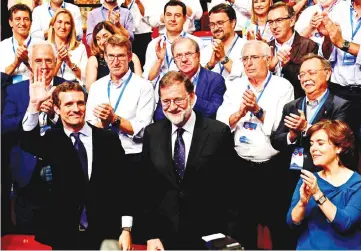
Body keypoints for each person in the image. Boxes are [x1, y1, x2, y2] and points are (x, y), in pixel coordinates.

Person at [20, 80, 133, 250]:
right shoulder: (51, 140)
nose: (75, 109)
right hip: (64, 235)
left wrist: (126, 229)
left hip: (104, 233)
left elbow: (124, 185)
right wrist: (34, 104)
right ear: (57, 109)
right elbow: (27, 141)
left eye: (80, 103)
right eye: (69, 104)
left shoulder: (108, 140)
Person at [139, 71, 236, 250]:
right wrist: (151, 234)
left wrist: (228, 237)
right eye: (166, 101)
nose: (172, 106)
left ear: (192, 97)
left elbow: (231, 188)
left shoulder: (218, 133)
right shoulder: (152, 133)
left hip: (210, 235)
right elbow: (147, 189)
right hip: (165, 237)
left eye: (178, 99)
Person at [216, 40, 294, 250]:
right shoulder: (235, 86)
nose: (248, 63)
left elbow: (281, 129)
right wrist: (240, 113)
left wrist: (257, 111)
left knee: (277, 224)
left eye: (254, 58)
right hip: (240, 166)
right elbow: (221, 123)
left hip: (271, 168)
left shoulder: (282, 87)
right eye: (245, 59)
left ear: (268, 59)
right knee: (241, 226)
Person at [2, 41, 67, 234]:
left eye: (49, 60)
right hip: (26, 170)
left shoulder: (66, 88)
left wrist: (55, 117)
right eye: (38, 60)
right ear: (30, 62)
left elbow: (77, 127)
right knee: (27, 233)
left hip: (60, 169)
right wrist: (32, 109)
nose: (44, 65)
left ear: (56, 62)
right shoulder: (16, 90)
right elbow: (4, 126)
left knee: (60, 231)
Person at [85, 34, 154, 185]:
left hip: (132, 156)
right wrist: (103, 124)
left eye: (121, 56)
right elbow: (88, 127)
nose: (115, 62)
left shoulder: (144, 86)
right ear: (104, 56)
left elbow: (143, 131)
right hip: (102, 156)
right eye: (111, 56)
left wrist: (113, 119)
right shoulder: (96, 87)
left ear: (129, 57)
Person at [287, 120, 361, 250]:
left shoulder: (357, 184)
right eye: (311, 144)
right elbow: (292, 222)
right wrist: (302, 204)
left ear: (339, 147)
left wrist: (317, 194)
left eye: (320, 143)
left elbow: (345, 224)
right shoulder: (308, 179)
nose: (313, 149)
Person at [143, 1, 203, 102]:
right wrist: (159, 61)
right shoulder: (154, 44)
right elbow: (148, 78)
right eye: (169, 15)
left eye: (177, 15)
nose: (172, 19)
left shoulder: (196, 42)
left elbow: (202, 73)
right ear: (164, 18)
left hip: (187, 96)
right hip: (160, 98)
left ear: (184, 19)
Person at [153, 37, 226, 121]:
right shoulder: (168, 81)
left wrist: (192, 99)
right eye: (178, 56)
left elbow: (216, 113)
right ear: (174, 60)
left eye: (188, 54)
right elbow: (158, 117)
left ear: (198, 55)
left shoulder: (215, 80)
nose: (184, 59)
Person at [268, 2, 318, 98]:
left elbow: (311, 82)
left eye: (279, 20)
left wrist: (287, 66)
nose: (274, 26)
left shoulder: (309, 46)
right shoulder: (266, 47)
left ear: (292, 21)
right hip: (271, 101)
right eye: (270, 22)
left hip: (297, 101)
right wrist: (270, 69)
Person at [85, 21, 142, 91]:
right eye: (98, 39)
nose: (102, 42)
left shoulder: (133, 57)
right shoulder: (94, 60)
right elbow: (90, 89)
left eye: (105, 36)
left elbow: (140, 84)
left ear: (114, 35)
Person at [200, 3, 247, 80]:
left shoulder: (246, 47)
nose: (216, 28)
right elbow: (199, 81)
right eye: (212, 24)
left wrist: (223, 58)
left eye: (220, 23)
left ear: (233, 23)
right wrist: (210, 65)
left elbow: (246, 76)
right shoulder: (206, 50)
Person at [47, 8, 87, 85]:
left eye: (67, 23)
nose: (63, 26)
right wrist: (59, 61)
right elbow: (46, 80)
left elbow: (85, 78)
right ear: (53, 25)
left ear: (71, 27)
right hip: (53, 88)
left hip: (74, 88)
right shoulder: (45, 47)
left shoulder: (80, 47)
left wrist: (69, 63)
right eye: (59, 22)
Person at [0, 4, 38, 84]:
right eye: (18, 19)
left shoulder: (41, 45)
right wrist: (16, 63)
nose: (22, 23)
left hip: (33, 90)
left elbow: (46, 76)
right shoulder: (2, 46)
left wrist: (26, 62)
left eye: (26, 19)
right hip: (8, 90)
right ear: (10, 22)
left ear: (31, 23)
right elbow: (1, 78)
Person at [121, 0, 157, 68]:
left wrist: (138, 3)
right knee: (128, 63)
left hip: (143, 36)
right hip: (126, 37)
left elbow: (152, 22)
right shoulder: (119, 3)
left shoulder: (146, 3)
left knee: (145, 63)